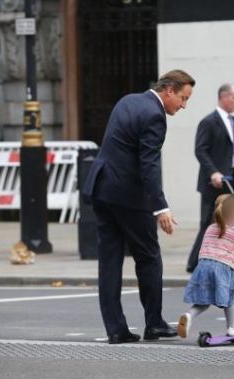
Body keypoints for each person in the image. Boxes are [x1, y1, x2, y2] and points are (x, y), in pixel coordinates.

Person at [82, 69, 195, 344]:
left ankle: (116, 329)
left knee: (109, 262)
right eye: (182, 98)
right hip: (128, 196)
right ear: (169, 90)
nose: (184, 105)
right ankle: (154, 324)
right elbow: (149, 164)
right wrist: (161, 207)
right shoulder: (155, 116)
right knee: (149, 257)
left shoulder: (128, 100)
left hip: (101, 189)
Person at [187, 84, 234, 274]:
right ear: (224, 97)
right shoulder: (209, 122)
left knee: (233, 221)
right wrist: (213, 172)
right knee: (208, 223)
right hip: (214, 183)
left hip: (230, 180)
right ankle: (194, 263)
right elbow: (200, 150)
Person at [177, 194, 234, 338]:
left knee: (203, 300)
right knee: (229, 298)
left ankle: (189, 315)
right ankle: (232, 327)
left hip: (203, 265)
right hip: (222, 267)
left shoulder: (210, 228)